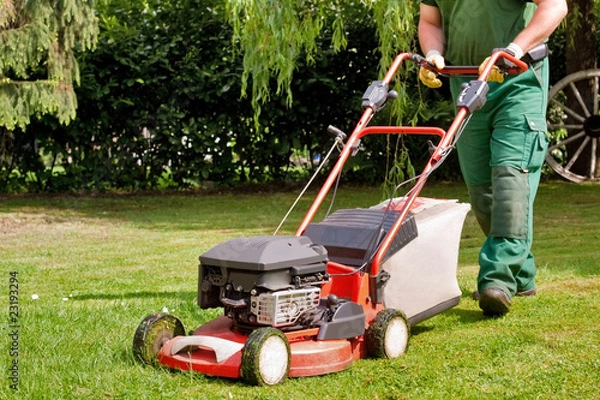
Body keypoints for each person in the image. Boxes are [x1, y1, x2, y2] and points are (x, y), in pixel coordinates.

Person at [418, 0, 568, 316]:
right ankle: (521, 275)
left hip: (518, 80)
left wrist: (514, 49)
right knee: (481, 190)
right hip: (468, 83)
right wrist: (432, 54)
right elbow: (431, 21)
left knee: (512, 179)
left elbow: (555, 7)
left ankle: (496, 280)